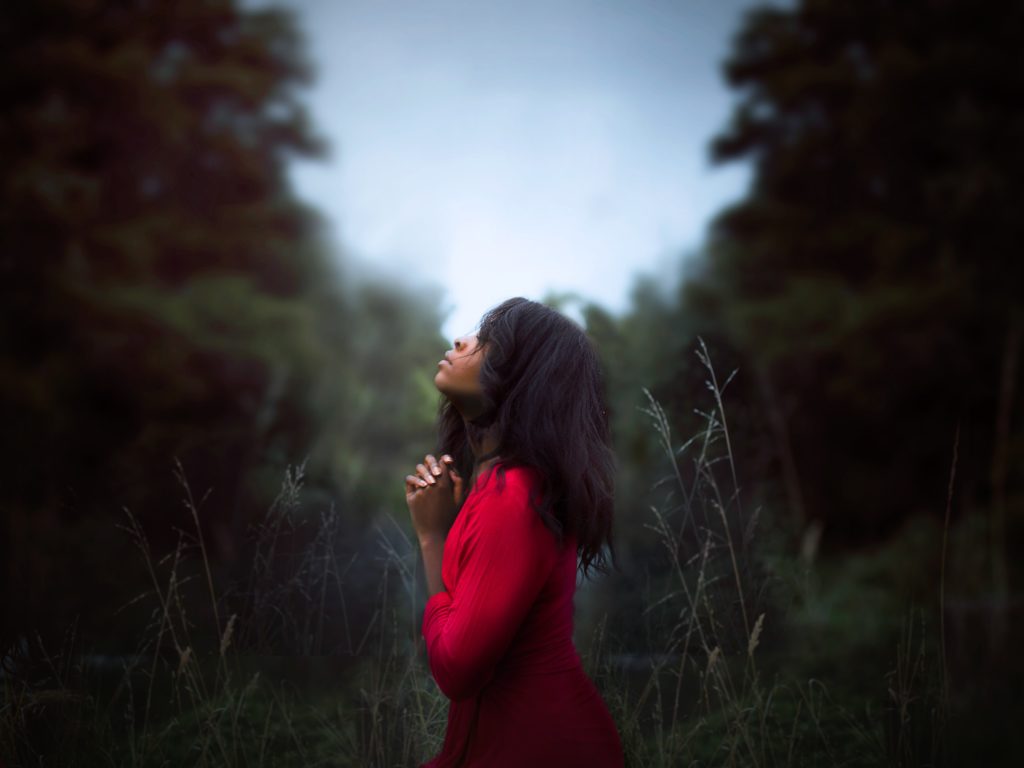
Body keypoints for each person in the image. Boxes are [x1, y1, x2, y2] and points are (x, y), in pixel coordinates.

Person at [405, 297, 625, 767]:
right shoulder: (500, 489)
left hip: (540, 747)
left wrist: (430, 537)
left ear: (523, 379)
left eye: (487, 343)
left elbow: (457, 670)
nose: (461, 340)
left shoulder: (514, 498)